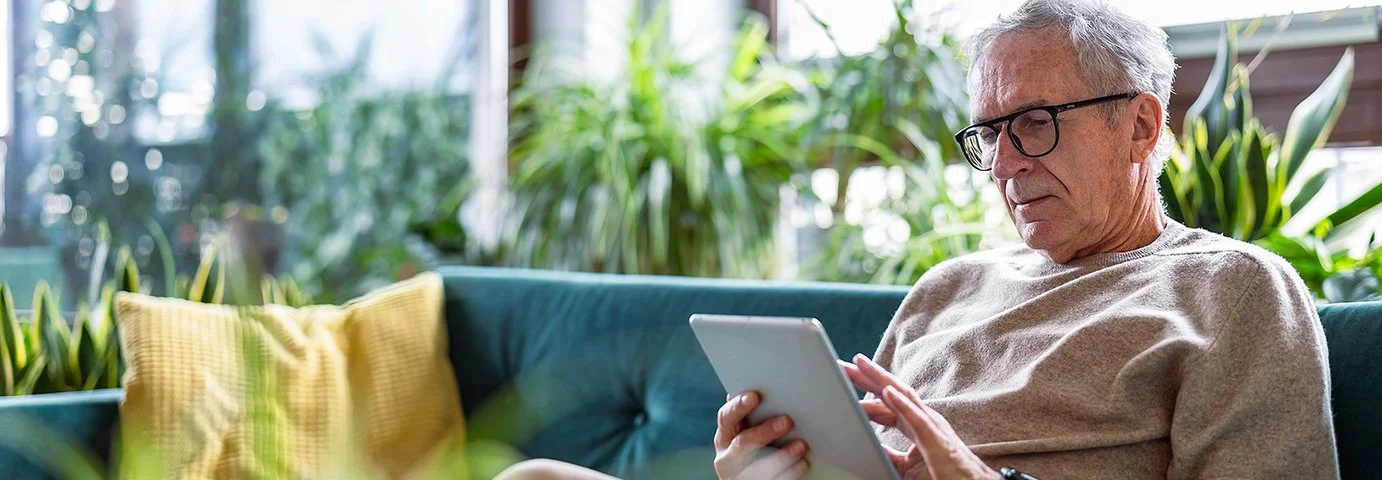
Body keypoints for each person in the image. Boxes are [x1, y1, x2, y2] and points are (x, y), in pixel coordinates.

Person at [498, 0, 1339, 478]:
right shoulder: (949, 287)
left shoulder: (1235, 291)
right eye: (989, 134)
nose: (1006, 162)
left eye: (1035, 124)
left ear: (1139, 127)